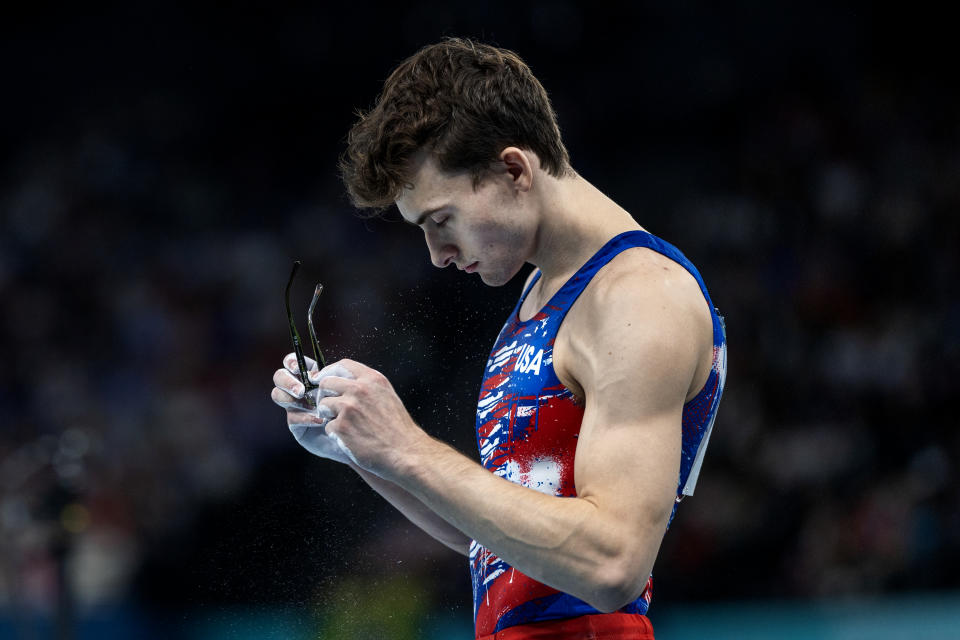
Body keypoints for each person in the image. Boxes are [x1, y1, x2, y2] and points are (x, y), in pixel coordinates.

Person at [271, 38, 726, 640]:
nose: (436, 254)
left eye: (440, 220)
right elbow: (498, 539)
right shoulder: (541, 298)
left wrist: (406, 445)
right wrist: (363, 450)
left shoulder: (638, 297)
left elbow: (612, 562)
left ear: (514, 169)